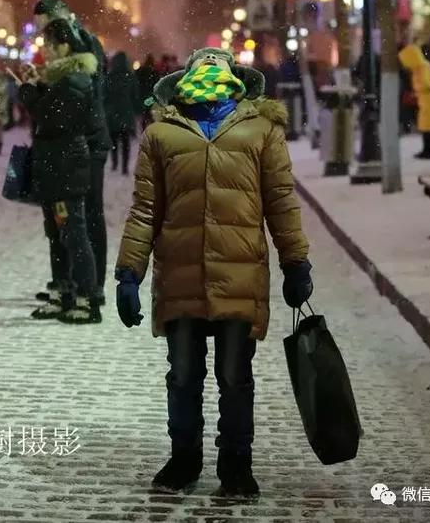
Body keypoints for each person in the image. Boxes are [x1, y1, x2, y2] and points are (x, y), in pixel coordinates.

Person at [115, 47, 312, 497]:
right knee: (183, 375)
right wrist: (129, 273)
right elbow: (145, 209)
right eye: (199, 68)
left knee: (234, 376)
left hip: (239, 274)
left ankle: (236, 466)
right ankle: (183, 459)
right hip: (181, 273)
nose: (208, 75)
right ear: (183, 79)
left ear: (233, 77)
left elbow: (281, 201)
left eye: (215, 68)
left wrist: (296, 261)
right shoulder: (161, 134)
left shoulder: (261, 130)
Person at [19, 18, 101, 324]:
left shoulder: (76, 80)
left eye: (51, 45)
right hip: (55, 168)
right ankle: (62, 292)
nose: (48, 51)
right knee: (56, 233)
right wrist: (37, 87)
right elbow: (50, 111)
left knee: (74, 235)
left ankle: (86, 299)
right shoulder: (61, 80)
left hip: (66, 169)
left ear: (65, 46)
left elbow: (51, 117)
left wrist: (28, 92)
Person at [33, 0, 111, 305]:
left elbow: (83, 92)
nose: (44, 39)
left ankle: (92, 285)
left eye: (47, 27)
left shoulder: (83, 42)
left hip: (86, 143)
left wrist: (43, 90)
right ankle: (65, 281)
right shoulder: (62, 47)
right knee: (59, 215)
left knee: (86, 215)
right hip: (61, 145)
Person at [399, 44, 430, 159]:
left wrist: (417, 89)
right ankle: (427, 150)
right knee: (427, 128)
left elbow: (427, 84)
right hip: (426, 102)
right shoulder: (420, 67)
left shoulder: (422, 67)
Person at [105, 51, 140, 175]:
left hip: (112, 115)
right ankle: (124, 167)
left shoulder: (109, 77)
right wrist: (137, 110)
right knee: (126, 143)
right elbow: (135, 96)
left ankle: (115, 163)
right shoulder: (130, 77)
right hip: (126, 114)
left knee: (114, 141)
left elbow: (105, 96)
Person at [136, 54, 160, 130]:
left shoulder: (140, 71)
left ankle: (144, 130)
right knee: (150, 114)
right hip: (151, 96)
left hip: (142, 95)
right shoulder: (154, 72)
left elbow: (136, 82)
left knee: (144, 115)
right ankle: (152, 130)